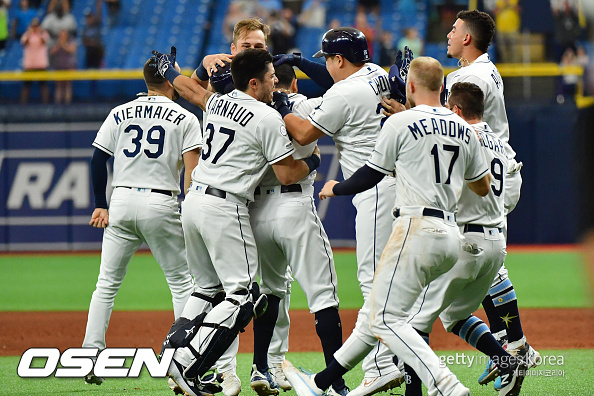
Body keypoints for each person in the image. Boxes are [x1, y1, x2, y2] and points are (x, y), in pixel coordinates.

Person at [283, 56, 493, 396]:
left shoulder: (400, 122)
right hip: (452, 234)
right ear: (442, 87)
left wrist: (336, 187)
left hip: (417, 228)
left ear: (410, 86)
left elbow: (372, 173)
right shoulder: (463, 128)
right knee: (377, 311)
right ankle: (321, 383)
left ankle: (447, 386)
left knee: (385, 319)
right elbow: (482, 187)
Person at [150, 47, 321, 396]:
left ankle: (171, 355)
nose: (277, 85)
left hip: (195, 199)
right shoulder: (267, 117)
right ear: (255, 83)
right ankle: (187, 364)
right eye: (272, 79)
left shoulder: (219, 100)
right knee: (243, 296)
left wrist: (169, 72)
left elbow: (188, 88)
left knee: (205, 290)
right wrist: (315, 160)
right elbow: (288, 174)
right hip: (224, 207)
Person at [272, 27, 405, 396]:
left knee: (374, 283)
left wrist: (283, 105)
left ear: (339, 60)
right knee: (389, 282)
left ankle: (381, 365)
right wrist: (301, 64)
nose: (325, 65)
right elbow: (335, 84)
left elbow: (302, 134)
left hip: (375, 190)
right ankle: (390, 362)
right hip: (396, 185)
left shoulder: (345, 93)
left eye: (327, 59)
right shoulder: (375, 72)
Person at [402, 81, 528, 396]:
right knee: (454, 315)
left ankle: (420, 390)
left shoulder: (460, 138)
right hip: (496, 244)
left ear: (457, 110)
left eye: (448, 107)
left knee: (411, 319)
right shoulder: (502, 144)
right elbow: (511, 193)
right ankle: (506, 361)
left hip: (465, 241)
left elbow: (436, 181)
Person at [82, 58, 200, 385]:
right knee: (181, 284)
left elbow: (97, 159)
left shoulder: (120, 112)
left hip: (120, 201)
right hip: (161, 200)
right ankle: (184, 359)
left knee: (106, 285)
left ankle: (90, 356)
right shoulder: (185, 117)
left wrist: (99, 205)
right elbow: (191, 172)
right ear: (170, 80)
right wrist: (190, 207)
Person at [444, 10, 540, 388]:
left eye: (454, 30)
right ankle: (511, 345)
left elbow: (445, 119)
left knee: (479, 252)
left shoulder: (468, 76)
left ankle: (514, 347)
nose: (449, 34)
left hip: (483, 173)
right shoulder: (484, 68)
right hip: (499, 168)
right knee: (484, 255)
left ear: (468, 38)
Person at [249, 62, 346, 396]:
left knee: (270, 290)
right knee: (322, 293)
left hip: (257, 210)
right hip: (295, 204)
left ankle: (260, 368)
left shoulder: (247, 110)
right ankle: (336, 382)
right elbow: (340, 91)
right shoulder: (302, 103)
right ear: (293, 86)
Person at [20, 17, 49, 104]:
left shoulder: (43, 34)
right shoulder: (27, 34)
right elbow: (24, 43)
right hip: (29, 64)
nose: (35, 28)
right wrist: (29, 33)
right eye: (33, 26)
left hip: (41, 64)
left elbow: (44, 41)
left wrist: (39, 33)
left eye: (36, 26)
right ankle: (23, 105)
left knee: (43, 86)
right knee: (26, 86)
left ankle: (46, 105)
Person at [50, 29, 76, 104]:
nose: (62, 37)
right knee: (58, 86)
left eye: (64, 35)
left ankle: (67, 103)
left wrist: (63, 44)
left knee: (68, 85)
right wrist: (59, 45)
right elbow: (51, 52)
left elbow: (71, 50)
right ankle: (58, 103)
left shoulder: (71, 42)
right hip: (58, 66)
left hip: (68, 66)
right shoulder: (56, 42)